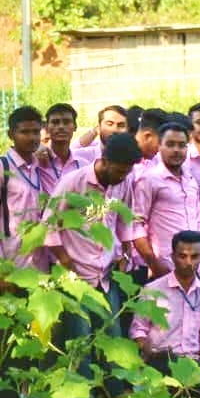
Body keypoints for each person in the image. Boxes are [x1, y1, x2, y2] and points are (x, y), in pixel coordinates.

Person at [45, 133, 143, 366]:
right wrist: (65, 260)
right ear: (105, 160)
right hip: (75, 274)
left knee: (113, 336)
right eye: (119, 171)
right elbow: (48, 225)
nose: (123, 177)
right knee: (80, 338)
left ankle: (117, 392)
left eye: (127, 172)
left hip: (106, 272)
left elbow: (124, 220)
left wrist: (124, 252)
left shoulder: (124, 181)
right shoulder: (73, 182)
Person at [131, 231, 200, 389]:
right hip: (160, 362)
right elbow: (138, 329)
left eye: (194, 257)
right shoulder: (152, 289)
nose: (188, 262)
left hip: (191, 364)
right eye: (182, 256)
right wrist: (147, 351)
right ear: (173, 257)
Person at [131, 122, 200, 279]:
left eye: (181, 145)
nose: (176, 150)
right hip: (162, 269)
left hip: (195, 269)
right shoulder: (149, 179)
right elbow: (135, 226)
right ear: (159, 146)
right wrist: (155, 265)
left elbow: (196, 221)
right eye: (170, 144)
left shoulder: (190, 180)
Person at [37, 103, 84, 192]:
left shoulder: (83, 166)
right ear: (47, 127)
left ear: (75, 126)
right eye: (55, 122)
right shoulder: (37, 163)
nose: (61, 127)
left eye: (66, 122)